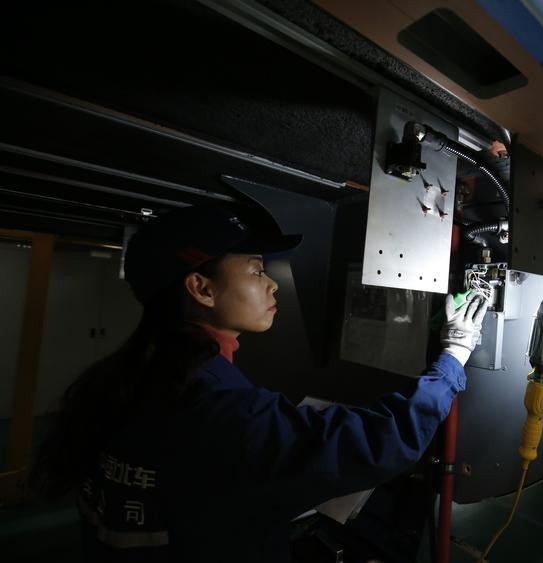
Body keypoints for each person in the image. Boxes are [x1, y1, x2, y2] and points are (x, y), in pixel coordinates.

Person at [31, 204, 488, 562]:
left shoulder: (127, 377)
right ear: (201, 289)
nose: (272, 285)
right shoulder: (212, 402)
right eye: (255, 270)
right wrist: (452, 357)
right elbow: (379, 442)